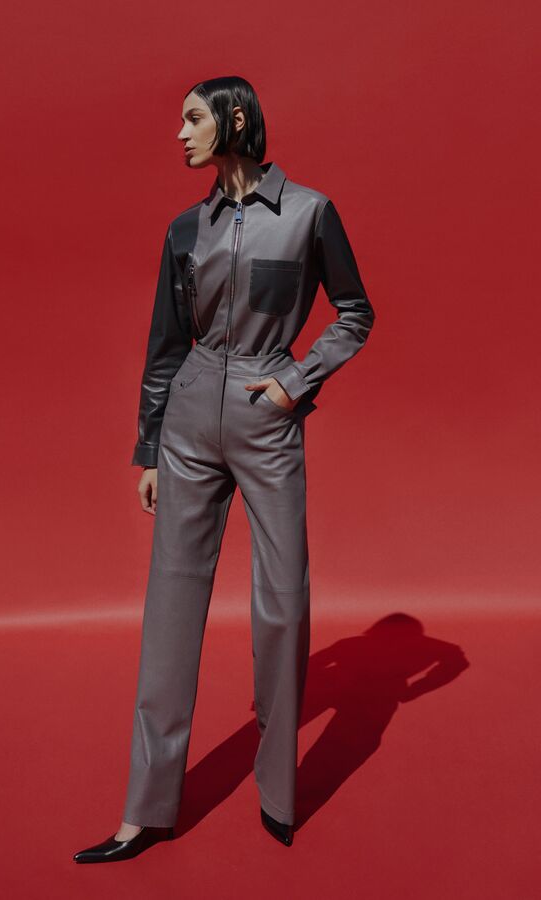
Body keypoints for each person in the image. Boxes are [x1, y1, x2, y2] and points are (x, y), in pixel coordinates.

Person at [73, 74, 376, 863]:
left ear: (234, 120)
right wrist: (148, 447)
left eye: (192, 119)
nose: (180, 134)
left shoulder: (309, 213)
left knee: (281, 606)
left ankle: (277, 792)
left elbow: (355, 313)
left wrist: (295, 381)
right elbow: (165, 345)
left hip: (265, 418)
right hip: (187, 422)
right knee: (169, 615)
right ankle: (145, 812)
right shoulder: (185, 228)